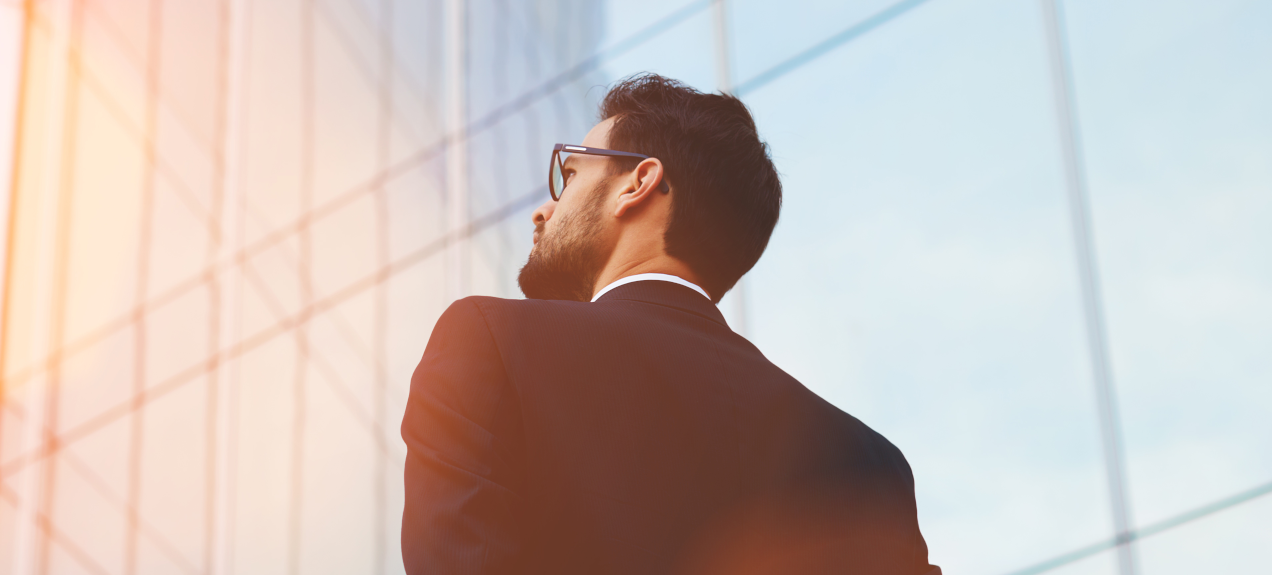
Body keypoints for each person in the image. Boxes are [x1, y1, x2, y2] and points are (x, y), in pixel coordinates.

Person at [400, 73, 940, 575]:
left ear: (638, 183)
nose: (544, 211)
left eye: (570, 176)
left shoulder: (489, 342)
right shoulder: (872, 464)